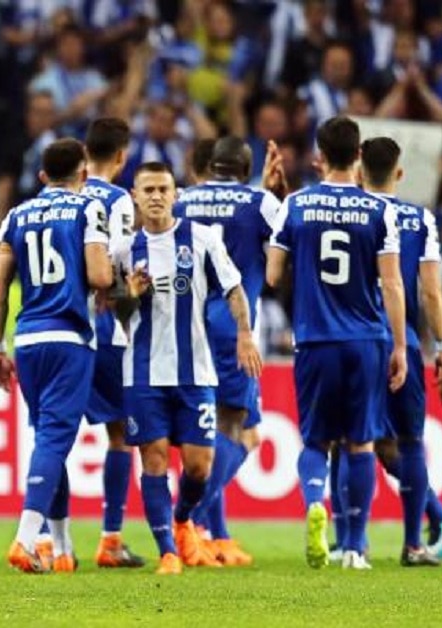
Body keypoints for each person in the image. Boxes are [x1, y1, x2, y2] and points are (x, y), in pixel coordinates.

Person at [266, 116, 407, 570]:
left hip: (315, 339)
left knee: (316, 442)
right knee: (361, 444)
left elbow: (272, 275)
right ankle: (355, 548)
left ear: (320, 156)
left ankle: (314, 502)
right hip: (366, 339)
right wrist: (401, 346)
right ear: (359, 155)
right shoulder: (380, 210)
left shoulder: (295, 205)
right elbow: (392, 284)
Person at [112, 161, 262, 575]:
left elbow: (233, 288)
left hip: (195, 372)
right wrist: (130, 294)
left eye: (163, 189)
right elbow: (114, 313)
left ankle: (182, 521)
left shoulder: (202, 238)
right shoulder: (123, 250)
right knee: (155, 459)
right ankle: (168, 552)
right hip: (143, 374)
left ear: (176, 195)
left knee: (199, 466)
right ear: (135, 197)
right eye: (148, 190)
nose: (156, 197)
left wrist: (245, 334)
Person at [0, 138, 113, 574]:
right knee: (54, 439)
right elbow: (100, 275)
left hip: (27, 340)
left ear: (42, 176)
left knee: (46, 435)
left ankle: (61, 547)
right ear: (84, 174)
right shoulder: (88, 209)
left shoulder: (16, 216)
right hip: (69, 338)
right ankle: (26, 540)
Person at [174, 136, 282, 567]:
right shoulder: (260, 203)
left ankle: (213, 533)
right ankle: (189, 520)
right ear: (246, 168)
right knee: (234, 428)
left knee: (224, 430)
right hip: (233, 327)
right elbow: (285, 249)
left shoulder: (181, 200)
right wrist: (276, 195)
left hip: (185, 324)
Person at [357, 137, 442, 566]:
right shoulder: (421, 219)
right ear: (399, 172)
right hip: (406, 342)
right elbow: (431, 291)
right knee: (410, 442)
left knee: (352, 441)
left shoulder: (350, 212)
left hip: (356, 338)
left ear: (359, 170)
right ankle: (415, 542)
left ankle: (352, 543)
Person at [80, 117, 145, 568]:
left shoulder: (64, 194)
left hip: (60, 320)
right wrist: (127, 291)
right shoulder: (118, 199)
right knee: (120, 433)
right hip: (105, 328)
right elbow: (118, 257)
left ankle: (47, 540)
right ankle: (110, 538)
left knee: (55, 434)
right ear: (122, 156)